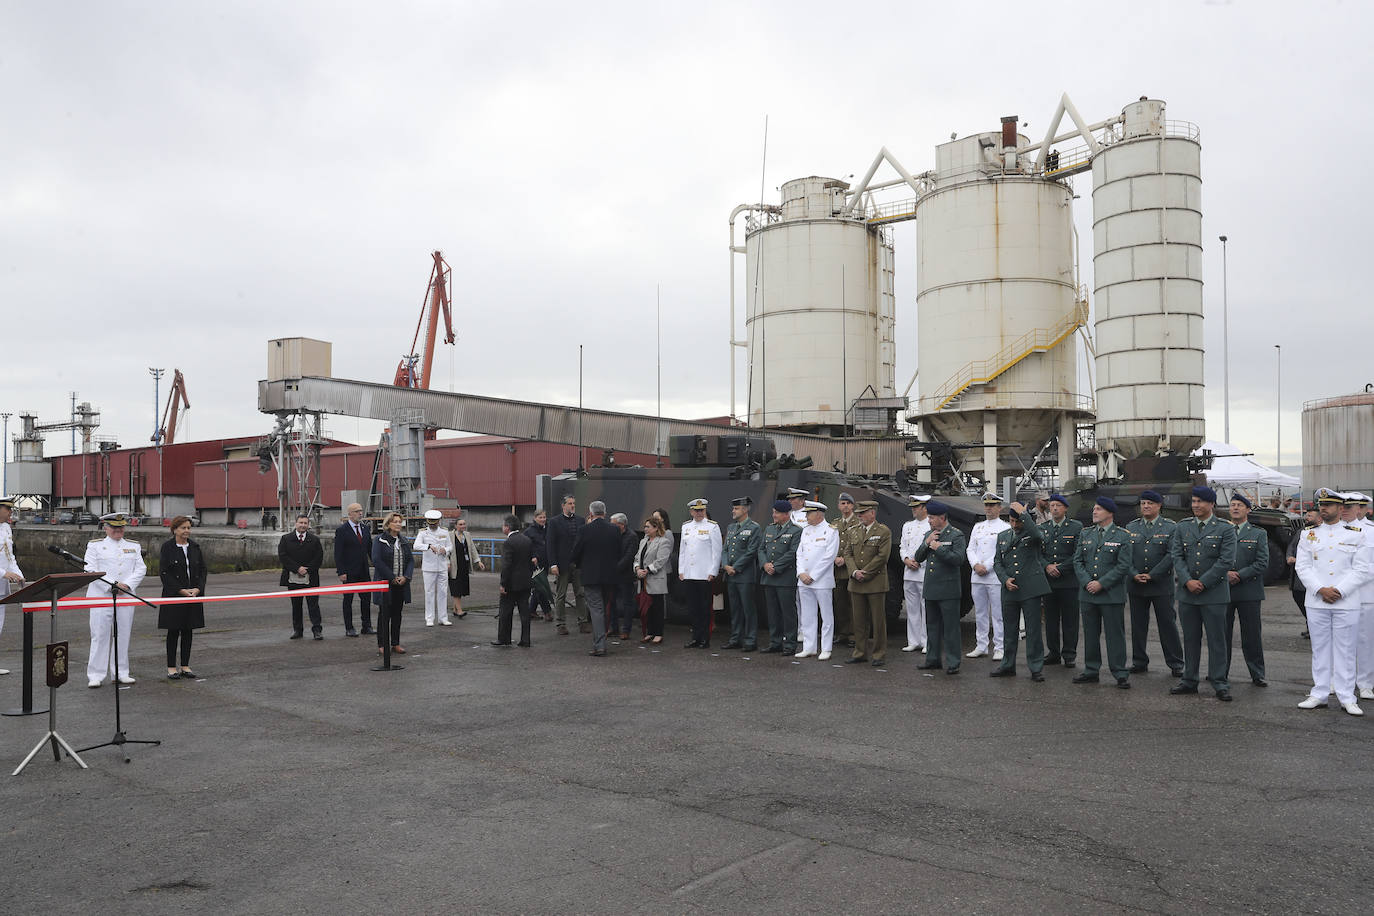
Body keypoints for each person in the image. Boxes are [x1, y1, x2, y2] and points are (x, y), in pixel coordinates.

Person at [1296, 488, 1371, 715]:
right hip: (1317, 600)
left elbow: (1361, 569)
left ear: (1341, 508)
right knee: (1320, 649)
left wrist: (1338, 590)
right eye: (1321, 504)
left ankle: (1347, 697)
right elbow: (1303, 566)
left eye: (1328, 505)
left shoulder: (1356, 534)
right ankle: (1319, 693)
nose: (1323, 508)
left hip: (1345, 601)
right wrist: (1320, 589)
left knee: (1346, 650)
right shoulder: (1308, 534)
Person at [1169, 486, 1238, 702]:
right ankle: (1189, 680)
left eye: (1200, 501)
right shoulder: (1183, 527)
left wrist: (1203, 582)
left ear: (1211, 504)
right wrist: (1187, 580)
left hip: (1214, 594)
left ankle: (1219, 682)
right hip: (1188, 593)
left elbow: (1226, 560)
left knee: (1217, 640)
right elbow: (1177, 555)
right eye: (1194, 501)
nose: (1196, 505)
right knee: (1190, 639)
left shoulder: (1225, 529)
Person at [1072, 497, 1133, 688]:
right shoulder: (1086, 533)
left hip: (1111, 594)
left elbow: (1123, 565)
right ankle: (1091, 670)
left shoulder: (1122, 535)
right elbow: (1077, 561)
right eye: (1094, 508)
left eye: (1098, 509)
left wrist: (1101, 583)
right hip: (1088, 594)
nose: (1094, 512)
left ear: (1110, 512)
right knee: (1090, 634)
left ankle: (1120, 673)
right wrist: (1087, 582)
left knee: (1115, 635)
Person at [1125, 490, 1185, 677]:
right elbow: (1125, 555)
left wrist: (1153, 575)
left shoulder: (1170, 527)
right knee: (1138, 626)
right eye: (1143, 503)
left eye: (1150, 503)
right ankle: (1139, 661)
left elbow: (1172, 554)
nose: (1146, 506)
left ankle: (1175, 663)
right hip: (1136, 584)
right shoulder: (1131, 527)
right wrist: (1134, 574)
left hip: (1160, 585)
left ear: (1159, 506)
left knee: (1167, 624)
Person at [84, 513, 146, 688]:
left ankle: (121, 672)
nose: (118, 530)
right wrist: (112, 585)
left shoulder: (133, 546)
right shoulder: (95, 546)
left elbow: (140, 569)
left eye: (121, 527)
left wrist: (126, 585)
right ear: (106, 528)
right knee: (99, 635)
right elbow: (90, 570)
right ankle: (96, 674)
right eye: (114, 527)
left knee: (123, 634)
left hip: (125, 595)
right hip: (101, 596)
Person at [992, 501, 1049, 681]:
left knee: (1032, 631)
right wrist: (1004, 579)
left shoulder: (1031, 534)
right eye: (1011, 521)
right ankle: (1008, 665)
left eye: (1018, 521)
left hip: (1030, 588)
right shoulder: (1002, 536)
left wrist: (1023, 513)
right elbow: (997, 562)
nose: (1015, 525)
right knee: (1009, 630)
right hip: (1010, 589)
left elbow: (1038, 535)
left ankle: (1035, 667)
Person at [915, 501, 967, 675]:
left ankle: (953, 662)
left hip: (948, 589)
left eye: (931, 517)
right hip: (931, 588)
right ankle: (932, 659)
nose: (929, 520)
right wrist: (926, 543)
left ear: (942, 518)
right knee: (932, 626)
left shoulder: (956, 535)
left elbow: (959, 559)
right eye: (929, 517)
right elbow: (918, 557)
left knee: (951, 628)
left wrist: (938, 549)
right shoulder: (930, 534)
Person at [1225, 494, 1270, 688]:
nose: (1235, 508)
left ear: (1248, 510)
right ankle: (1219, 671)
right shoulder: (1222, 530)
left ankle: (1257, 673)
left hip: (1249, 591)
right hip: (1223, 590)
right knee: (1221, 634)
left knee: (1251, 635)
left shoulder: (1258, 533)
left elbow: (1262, 562)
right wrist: (1225, 573)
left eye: (1239, 505)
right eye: (1233, 505)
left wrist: (1239, 575)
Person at [158, 516, 207, 680]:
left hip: (193, 595)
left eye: (188, 528)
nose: (187, 531)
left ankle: (185, 665)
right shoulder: (167, 547)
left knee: (188, 630)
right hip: (174, 596)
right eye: (183, 528)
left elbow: (202, 570)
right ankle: (171, 667)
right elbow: (164, 573)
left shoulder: (195, 547)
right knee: (173, 631)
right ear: (175, 530)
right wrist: (180, 590)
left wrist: (198, 588)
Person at [571, 500, 621, 657]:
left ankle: (599, 645)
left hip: (591, 575)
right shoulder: (614, 529)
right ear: (605, 513)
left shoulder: (584, 530)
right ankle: (600, 641)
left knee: (596, 610)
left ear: (591, 514)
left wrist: (581, 565)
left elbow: (575, 553)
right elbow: (618, 551)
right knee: (603, 609)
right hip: (609, 576)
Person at [845, 499, 891, 667]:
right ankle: (860, 652)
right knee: (858, 621)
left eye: (863, 513)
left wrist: (866, 572)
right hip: (857, 582)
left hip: (875, 582)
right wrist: (854, 572)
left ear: (872, 513)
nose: (860, 516)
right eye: (858, 514)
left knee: (878, 621)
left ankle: (879, 654)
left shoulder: (883, 531)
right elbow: (847, 553)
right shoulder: (853, 531)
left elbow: (882, 556)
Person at [967, 493, 1010, 660]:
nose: (989, 508)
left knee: (998, 614)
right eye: (986, 505)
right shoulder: (978, 527)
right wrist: (975, 565)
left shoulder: (1005, 527)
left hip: (994, 576)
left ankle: (999, 647)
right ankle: (981, 645)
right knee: (980, 612)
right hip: (977, 575)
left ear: (999, 507)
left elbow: (1003, 551)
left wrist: (987, 567)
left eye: (992, 505)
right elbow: (970, 549)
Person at [1040, 494, 1083, 667]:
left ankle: (1069, 654)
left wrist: (1060, 568)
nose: (1055, 508)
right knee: (1050, 619)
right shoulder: (1042, 528)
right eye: (1052, 506)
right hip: (1049, 580)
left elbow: (1078, 553)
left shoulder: (1075, 527)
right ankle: (1053, 652)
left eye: (1058, 505)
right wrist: (1047, 566)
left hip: (1068, 581)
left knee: (1070, 619)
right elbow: (1037, 553)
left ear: (1065, 508)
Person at [794, 501, 839, 660]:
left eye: (809, 513)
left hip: (821, 580)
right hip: (804, 580)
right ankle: (809, 647)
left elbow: (829, 557)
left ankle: (826, 648)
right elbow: (799, 554)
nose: (806, 516)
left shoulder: (831, 531)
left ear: (819, 514)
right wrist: (801, 573)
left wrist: (812, 576)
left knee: (826, 616)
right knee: (807, 615)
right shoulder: (805, 530)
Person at [758, 500, 801, 654]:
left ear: (785, 514)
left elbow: (793, 553)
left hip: (785, 578)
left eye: (776, 513)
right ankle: (775, 642)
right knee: (773, 612)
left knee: (788, 613)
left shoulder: (796, 531)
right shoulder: (769, 528)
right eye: (773, 512)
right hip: (769, 577)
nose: (773, 515)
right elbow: (761, 549)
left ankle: (790, 644)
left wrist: (775, 567)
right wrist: (765, 565)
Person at [679, 498, 723, 648]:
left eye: (702, 510)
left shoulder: (712, 527)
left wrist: (713, 571)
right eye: (696, 511)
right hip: (690, 573)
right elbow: (682, 551)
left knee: (705, 608)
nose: (699, 513)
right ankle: (695, 637)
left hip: (704, 574)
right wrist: (681, 570)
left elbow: (717, 552)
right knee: (693, 608)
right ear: (691, 511)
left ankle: (705, 638)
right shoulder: (686, 527)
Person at [722, 496, 762, 651]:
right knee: (735, 609)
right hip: (731, 575)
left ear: (745, 510)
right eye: (734, 508)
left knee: (748, 609)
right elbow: (725, 549)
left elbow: (752, 551)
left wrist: (735, 567)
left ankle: (751, 640)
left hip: (744, 575)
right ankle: (735, 638)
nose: (733, 511)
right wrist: (725, 565)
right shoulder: (731, 527)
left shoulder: (754, 528)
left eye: (736, 508)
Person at [372, 511, 413, 657]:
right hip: (386, 584)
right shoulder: (380, 540)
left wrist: (406, 576)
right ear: (388, 524)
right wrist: (392, 577)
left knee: (397, 614)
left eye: (399, 521)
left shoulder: (403, 541)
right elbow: (376, 560)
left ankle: (395, 643)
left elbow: (410, 560)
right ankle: (382, 644)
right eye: (395, 521)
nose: (398, 524)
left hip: (401, 584)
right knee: (384, 614)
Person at [547, 494, 589, 635]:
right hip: (562, 563)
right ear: (563, 505)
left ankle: (583, 621)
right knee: (561, 594)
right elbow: (550, 545)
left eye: (574, 503)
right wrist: (553, 564)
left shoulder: (580, 521)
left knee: (581, 593)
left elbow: (584, 543)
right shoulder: (554, 522)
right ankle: (561, 623)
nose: (572, 506)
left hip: (577, 564)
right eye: (570, 503)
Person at [279, 514, 324, 640]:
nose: (303, 525)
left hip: (311, 578)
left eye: (305, 523)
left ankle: (317, 630)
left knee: (313, 605)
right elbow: (283, 556)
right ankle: (298, 630)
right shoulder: (286, 539)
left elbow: (319, 557)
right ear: (296, 523)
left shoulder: (314, 540)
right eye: (301, 522)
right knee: (296, 605)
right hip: (292, 579)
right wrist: (297, 568)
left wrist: (307, 569)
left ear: (308, 525)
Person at [1347, 494, 1374, 699]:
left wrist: (1349, 581)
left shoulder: (1370, 532)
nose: (1346, 509)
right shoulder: (1328, 532)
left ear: (1360, 508)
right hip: (1337, 597)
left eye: (1351, 506)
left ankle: (1365, 682)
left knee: (1365, 642)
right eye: (1343, 506)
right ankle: (1336, 680)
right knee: (1338, 642)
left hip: (1364, 595)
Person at [494, 514, 534, 648]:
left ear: (507, 527)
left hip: (511, 583)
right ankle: (525, 639)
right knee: (524, 611)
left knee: (506, 611)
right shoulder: (527, 540)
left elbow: (507, 565)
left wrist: (503, 583)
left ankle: (504, 638)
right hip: (525, 581)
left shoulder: (508, 543)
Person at [333, 503, 373, 637]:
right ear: (350, 514)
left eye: (361, 511)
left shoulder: (365, 528)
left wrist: (377, 564)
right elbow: (338, 553)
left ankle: (366, 626)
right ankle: (349, 628)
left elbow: (370, 550)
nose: (360, 513)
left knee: (366, 599)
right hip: (349, 572)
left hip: (363, 571)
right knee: (348, 600)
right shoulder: (342, 530)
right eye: (357, 511)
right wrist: (341, 571)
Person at [898, 495, 931, 653]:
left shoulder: (930, 525)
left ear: (924, 508)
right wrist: (905, 559)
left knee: (926, 608)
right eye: (912, 507)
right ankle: (913, 640)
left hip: (923, 571)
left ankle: (926, 641)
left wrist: (919, 562)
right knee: (912, 608)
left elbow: (931, 548)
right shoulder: (907, 526)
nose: (913, 509)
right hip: (909, 572)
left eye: (916, 507)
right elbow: (903, 546)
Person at [830, 493, 862, 649]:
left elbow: (860, 546)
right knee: (839, 603)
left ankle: (853, 635)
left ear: (853, 506)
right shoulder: (834, 523)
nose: (845, 506)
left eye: (848, 503)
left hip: (851, 567)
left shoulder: (858, 523)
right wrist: (835, 557)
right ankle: (842, 633)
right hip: (837, 569)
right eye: (842, 503)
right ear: (838, 506)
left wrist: (844, 558)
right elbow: (829, 543)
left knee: (853, 604)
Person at [635, 516, 673, 644]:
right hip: (643, 580)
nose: (645, 529)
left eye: (648, 527)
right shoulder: (643, 541)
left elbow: (661, 560)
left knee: (657, 607)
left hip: (655, 579)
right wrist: (637, 568)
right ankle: (650, 632)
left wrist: (647, 570)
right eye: (645, 527)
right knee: (647, 608)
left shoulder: (663, 542)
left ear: (656, 528)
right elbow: (637, 557)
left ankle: (658, 633)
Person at [414, 509, 454, 627]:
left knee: (443, 592)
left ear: (438, 522)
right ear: (427, 522)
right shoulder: (423, 533)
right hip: (429, 567)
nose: (432, 525)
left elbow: (450, 546)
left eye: (434, 523)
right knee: (429, 592)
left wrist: (445, 550)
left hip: (442, 565)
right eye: (430, 523)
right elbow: (416, 545)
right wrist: (428, 546)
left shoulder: (445, 532)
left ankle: (443, 618)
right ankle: (429, 618)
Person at [0, 497, 24, 676]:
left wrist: (19, 575)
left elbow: (10, 558)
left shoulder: (7, 528)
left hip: (1, 587)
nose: (10, 513)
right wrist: (3, 573)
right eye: (7, 509)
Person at [1288, 508, 1320, 638]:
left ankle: (1313, 628)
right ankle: (1310, 625)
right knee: (1298, 598)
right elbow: (1292, 546)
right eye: (1306, 516)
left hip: (1310, 575)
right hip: (1297, 575)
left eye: (1310, 516)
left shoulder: (1321, 533)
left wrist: (1300, 560)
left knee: (1309, 602)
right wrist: (1289, 556)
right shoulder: (1302, 532)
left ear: (1319, 518)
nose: (1307, 518)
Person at [447, 517, 484, 620]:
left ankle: (455, 609)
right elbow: (446, 551)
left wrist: (478, 561)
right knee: (456, 588)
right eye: (460, 524)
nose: (463, 526)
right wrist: (447, 563)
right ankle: (459, 611)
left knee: (461, 587)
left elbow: (472, 548)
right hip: (454, 566)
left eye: (464, 524)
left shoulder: (467, 535)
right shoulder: (449, 536)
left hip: (464, 565)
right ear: (455, 526)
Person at [610, 513, 640, 639]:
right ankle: (614, 627)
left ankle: (626, 630)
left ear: (621, 525)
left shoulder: (632, 537)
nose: (610, 526)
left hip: (625, 575)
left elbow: (629, 556)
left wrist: (615, 568)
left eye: (613, 524)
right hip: (613, 575)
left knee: (628, 603)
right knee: (612, 602)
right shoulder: (612, 535)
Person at [523, 510, 552, 621]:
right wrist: (532, 556)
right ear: (535, 518)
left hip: (545, 562)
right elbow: (526, 546)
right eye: (540, 517)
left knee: (538, 588)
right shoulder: (529, 532)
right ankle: (547, 611)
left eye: (544, 517)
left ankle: (531, 610)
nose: (543, 519)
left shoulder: (547, 529)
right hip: (534, 564)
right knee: (540, 587)